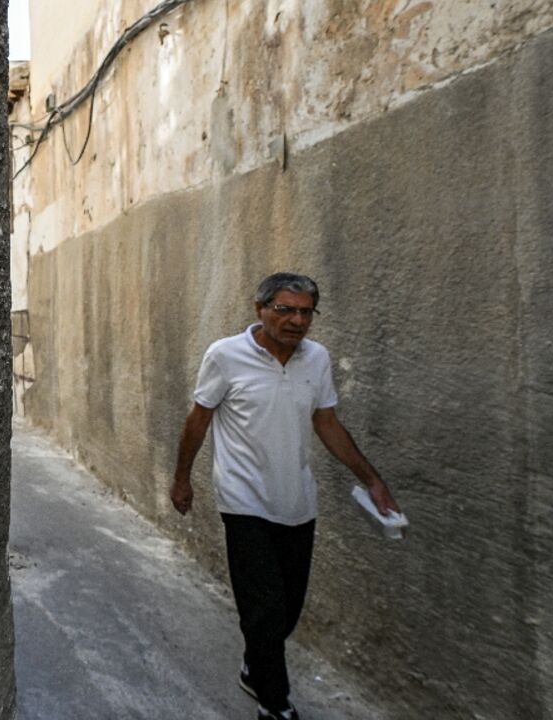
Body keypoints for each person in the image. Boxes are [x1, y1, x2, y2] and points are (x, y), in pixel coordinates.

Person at [169, 273, 400, 720]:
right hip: (243, 500)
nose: (296, 320)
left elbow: (327, 423)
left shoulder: (317, 359)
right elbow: (198, 420)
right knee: (265, 609)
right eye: (284, 309)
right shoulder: (225, 356)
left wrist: (372, 478)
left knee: (286, 611)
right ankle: (275, 706)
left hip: (297, 503)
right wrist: (183, 478)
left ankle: (257, 666)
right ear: (259, 309)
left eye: (305, 311)